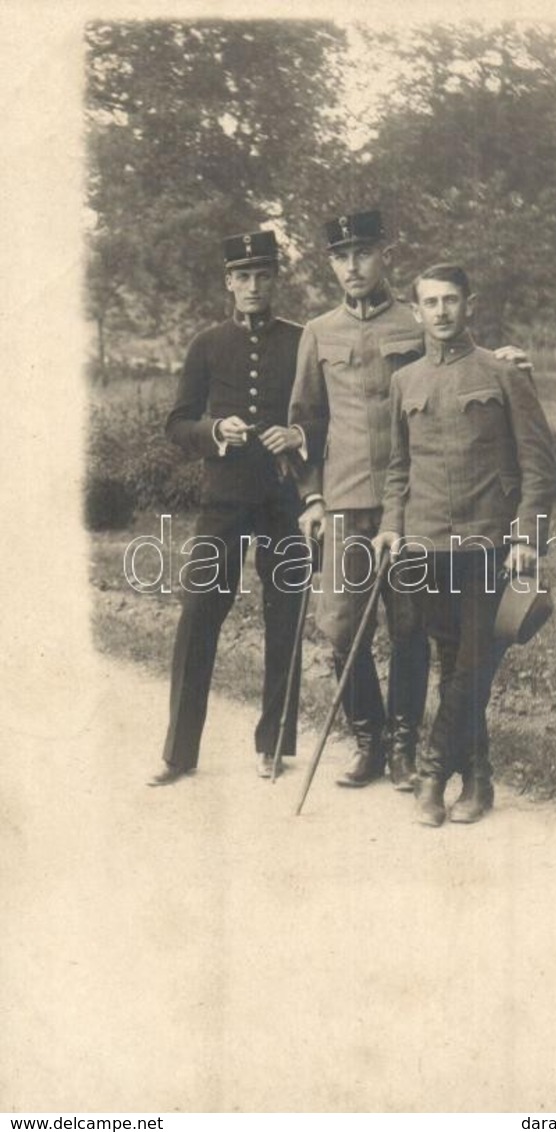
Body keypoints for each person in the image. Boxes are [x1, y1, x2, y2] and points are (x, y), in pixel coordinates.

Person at [290, 211, 531, 793]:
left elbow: (453, 374)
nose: (353, 266)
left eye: (364, 253)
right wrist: (313, 497)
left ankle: (403, 744)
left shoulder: (418, 317)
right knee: (342, 624)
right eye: (342, 256)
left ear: (382, 257)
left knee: (409, 627)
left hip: (411, 507)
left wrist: (510, 363)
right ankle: (368, 738)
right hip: (348, 501)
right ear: (330, 264)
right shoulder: (317, 332)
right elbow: (305, 421)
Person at [373, 263, 556, 826]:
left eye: (451, 300)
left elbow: (538, 464)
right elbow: (398, 470)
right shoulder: (406, 381)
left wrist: (527, 537)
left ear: (468, 304)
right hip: (427, 543)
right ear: (418, 309)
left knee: (473, 658)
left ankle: (432, 776)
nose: (441, 312)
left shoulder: (502, 374)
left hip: (488, 540)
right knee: (455, 661)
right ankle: (478, 781)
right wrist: (390, 525)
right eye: (430, 303)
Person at [149, 229, 313, 787]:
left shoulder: (301, 340)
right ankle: (178, 753)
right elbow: (176, 424)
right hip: (223, 503)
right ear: (228, 282)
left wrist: (297, 433)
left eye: (262, 275)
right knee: (199, 617)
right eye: (242, 276)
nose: (252, 286)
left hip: (284, 501)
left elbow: (322, 412)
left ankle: (275, 746)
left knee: (285, 616)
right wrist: (215, 429)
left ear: (275, 281)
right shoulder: (206, 344)